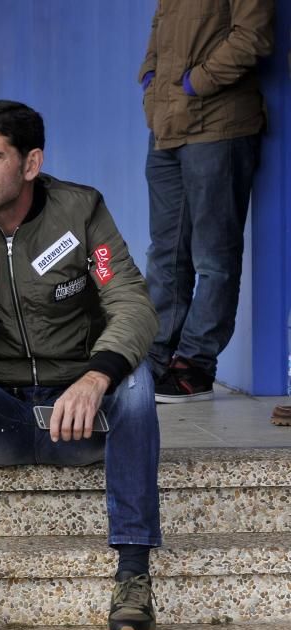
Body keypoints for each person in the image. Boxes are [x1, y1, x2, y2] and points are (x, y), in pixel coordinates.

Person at [0, 100, 162, 630]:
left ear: (30, 163)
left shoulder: (81, 211)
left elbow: (132, 303)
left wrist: (95, 379)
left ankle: (134, 579)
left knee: (136, 379)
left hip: (81, 418)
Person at [139, 0, 275, 403]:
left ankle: (196, 365)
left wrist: (194, 84)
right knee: (164, 252)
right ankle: (156, 356)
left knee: (214, 257)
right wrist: (151, 82)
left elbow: (253, 37)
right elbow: (158, 38)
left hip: (219, 127)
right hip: (165, 128)